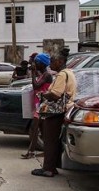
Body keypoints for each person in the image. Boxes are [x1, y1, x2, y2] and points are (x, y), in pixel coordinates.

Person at [32, 49, 76, 177]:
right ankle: (52, 167)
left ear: (60, 61)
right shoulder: (69, 73)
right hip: (64, 110)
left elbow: (56, 94)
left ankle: (48, 169)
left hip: (56, 112)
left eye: (52, 61)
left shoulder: (62, 75)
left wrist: (44, 94)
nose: (50, 64)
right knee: (54, 140)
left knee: (50, 140)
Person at [21, 53, 53, 159]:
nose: (35, 64)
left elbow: (36, 86)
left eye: (37, 62)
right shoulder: (43, 74)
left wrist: (34, 72)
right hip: (39, 105)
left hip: (43, 106)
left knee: (34, 129)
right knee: (41, 131)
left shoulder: (47, 75)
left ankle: (31, 151)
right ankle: (43, 151)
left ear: (42, 64)